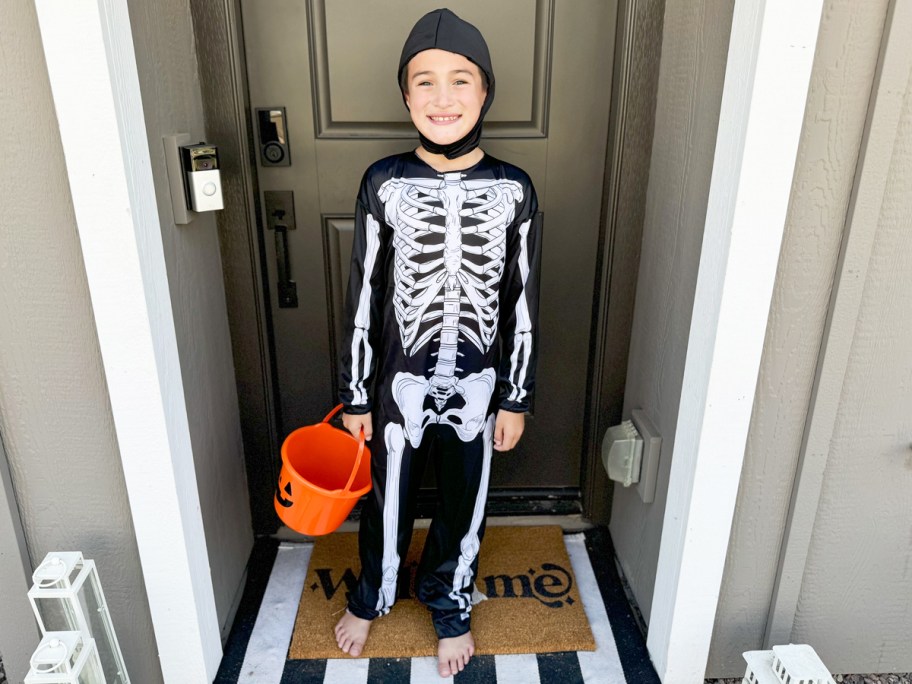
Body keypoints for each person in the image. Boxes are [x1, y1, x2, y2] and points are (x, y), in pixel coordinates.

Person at [333, 8, 542, 678]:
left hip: (482, 381)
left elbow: (522, 302)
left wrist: (516, 397)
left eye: (460, 80)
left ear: (485, 94)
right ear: (405, 96)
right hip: (398, 382)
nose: (442, 97)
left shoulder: (514, 190)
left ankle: (451, 604)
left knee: (466, 501)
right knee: (385, 497)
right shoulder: (383, 182)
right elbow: (363, 295)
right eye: (424, 82)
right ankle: (372, 596)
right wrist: (357, 395)